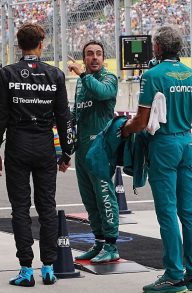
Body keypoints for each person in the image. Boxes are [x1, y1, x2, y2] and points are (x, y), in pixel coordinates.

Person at [0, 23, 73, 287]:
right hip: (45, 146)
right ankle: (48, 267)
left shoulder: (8, 73)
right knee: (47, 207)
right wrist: (67, 152)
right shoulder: (55, 75)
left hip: (18, 145)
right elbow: (64, 118)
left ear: (18, 45)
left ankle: (26, 270)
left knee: (20, 209)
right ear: (41, 44)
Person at [122, 26, 192, 293]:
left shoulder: (152, 75)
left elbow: (142, 121)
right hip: (186, 142)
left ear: (157, 47)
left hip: (164, 144)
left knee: (167, 212)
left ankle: (172, 275)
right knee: (188, 212)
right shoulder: (191, 74)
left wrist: (124, 129)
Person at [68, 40, 119, 263]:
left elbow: (102, 93)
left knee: (104, 196)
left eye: (98, 54)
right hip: (82, 149)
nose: (95, 57)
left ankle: (111, 245)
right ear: (84, 58)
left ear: (104, 58)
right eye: (90, 54)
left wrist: (82, 75)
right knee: (89, 199)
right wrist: (66, 149)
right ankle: (98, 243)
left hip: (101, 149)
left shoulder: (108, 78)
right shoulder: (81, 83)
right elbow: (75, 113)